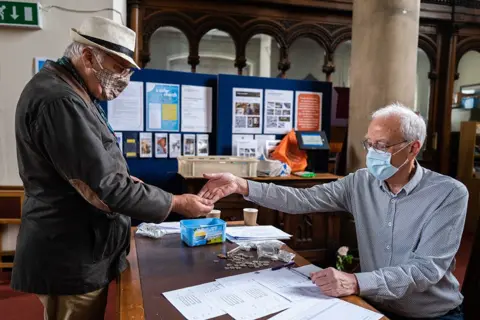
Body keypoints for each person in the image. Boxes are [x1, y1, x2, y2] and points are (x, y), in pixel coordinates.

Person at [14, 16, 213, 320]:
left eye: (128, 70)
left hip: (79, 246)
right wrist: (177, 202)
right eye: (119, 66)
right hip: (71, 253)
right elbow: (103, 187)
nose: (124, 78)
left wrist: (128, 182)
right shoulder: (61, 100)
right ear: (88, 56)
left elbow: (90, 171)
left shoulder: (73, 90)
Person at [199, 103, 468, 320]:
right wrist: (241, 184)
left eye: (382, 146)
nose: (372, 153)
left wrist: (355, 282)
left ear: (413, 148)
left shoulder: (448, 193)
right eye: (369, 144)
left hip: (430, 314)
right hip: (372, 306)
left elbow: (426, 270)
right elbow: (301, 200)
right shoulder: (360, 182)